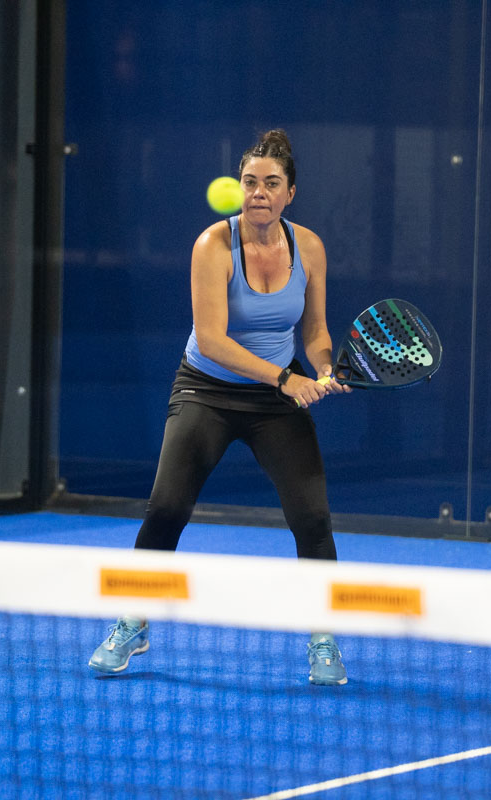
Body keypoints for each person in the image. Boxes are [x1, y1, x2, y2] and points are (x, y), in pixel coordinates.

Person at [89, 129, 352, 685]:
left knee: (313, 519)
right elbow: (211, 340)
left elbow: (315, 330)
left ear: (290, 194)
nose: (259, 192)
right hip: (207, 391)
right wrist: (287, 379)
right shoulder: (212, 244)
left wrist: (325, 368)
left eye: (271, 184)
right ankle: (134, 619)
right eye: (250, 182)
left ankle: (324, 636)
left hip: (275, 400)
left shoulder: (309, 247)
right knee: (166, 508)